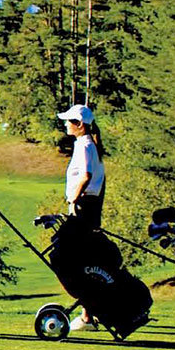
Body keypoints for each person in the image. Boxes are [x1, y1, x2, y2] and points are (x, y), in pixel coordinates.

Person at [57, 104, 108, 332]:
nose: (65, 124)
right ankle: (89, 312)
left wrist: (73, 200)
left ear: (79, 124)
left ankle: (88, 316)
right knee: (84, 260)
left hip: (84, 206)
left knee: (79, 261)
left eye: (69, 121)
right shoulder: (86, 144)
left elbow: (86, 176)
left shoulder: (86, 145)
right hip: (87, 206)